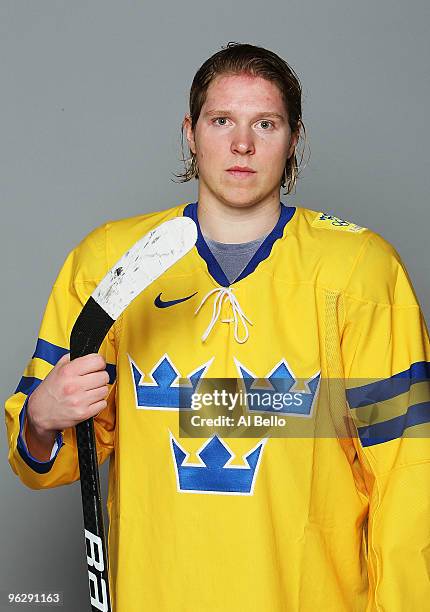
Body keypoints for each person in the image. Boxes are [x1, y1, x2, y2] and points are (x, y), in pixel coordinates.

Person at [5, 41, 430, 611]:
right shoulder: (111, 262)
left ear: (294, 138)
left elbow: (410, 476)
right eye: (222, 119)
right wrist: (39, 418)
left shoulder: (360, 273)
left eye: (266, 123)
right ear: (190, 131)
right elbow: (50, 457)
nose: (242, 144)